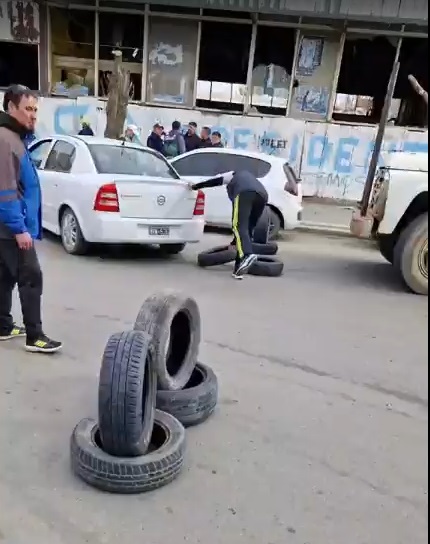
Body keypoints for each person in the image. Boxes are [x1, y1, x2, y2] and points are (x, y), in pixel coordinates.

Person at [0, 84, 62, 353]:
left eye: (36, 109)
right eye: (28, 109)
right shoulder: (5, 140)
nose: (33, 115)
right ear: (11, 108)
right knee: (31, 277)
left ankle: (2, 326)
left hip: (6, 228)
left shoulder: (14, 137)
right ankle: (34, 336)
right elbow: (5, 190)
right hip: (10, 228)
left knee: (3, 276)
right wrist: (19, 229)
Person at [190, 170, 268, 279]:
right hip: (262, 196)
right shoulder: (250, 177)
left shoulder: (233, 174)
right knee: (248, 229)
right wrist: (233, 243)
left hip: (244, 192)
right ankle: (239, 269)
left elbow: (215, 181)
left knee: (238, 226)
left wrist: (195, 186)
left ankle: (247, 255)